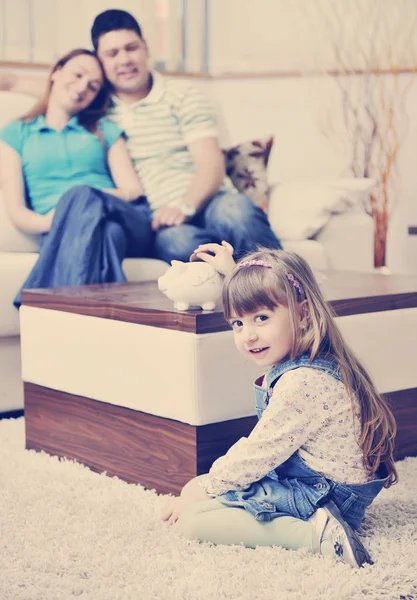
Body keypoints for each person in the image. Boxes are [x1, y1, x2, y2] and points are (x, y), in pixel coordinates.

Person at [161, 242, 398, 568]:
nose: (248, 335)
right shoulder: (310, 352)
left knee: (195, 520)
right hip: (318, 484)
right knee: (195, 489)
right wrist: (235, 274)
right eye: (237, 324)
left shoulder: (303, 381)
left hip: (326, 496)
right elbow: (272, 301)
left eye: (260, 318)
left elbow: (258, 452)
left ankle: (319, 537)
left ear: (302, 314)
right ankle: (308, 523)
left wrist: (211, 488)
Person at [0, 9, 282, 264]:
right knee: (178, 244)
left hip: (207, 201)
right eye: (112, 54)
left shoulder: (182, 94)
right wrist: (11, 81)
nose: (124, 60)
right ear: (101, 62)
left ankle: (288, 288)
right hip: (162, 223)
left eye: (131, 48)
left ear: (146, 47)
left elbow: (211, 164)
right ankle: (245, 286)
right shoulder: (98, 104)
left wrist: (184, 206)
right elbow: (59, 89)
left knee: (236, 211)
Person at [0, 49, 153, 307]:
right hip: (61, 228)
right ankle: (98, 316)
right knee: (109, 235)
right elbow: (17, 212)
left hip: (124, 216)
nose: (83, 87)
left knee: (80, 195)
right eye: (78, 75)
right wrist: (65, 217)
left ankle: (40, 303)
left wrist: (82, 202)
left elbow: (132, 191)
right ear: (56, 72)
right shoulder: (16, 133)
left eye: (93, 86)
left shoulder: (103, 129)